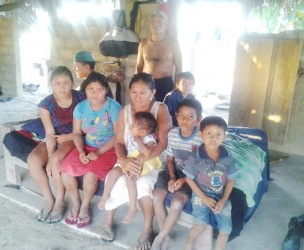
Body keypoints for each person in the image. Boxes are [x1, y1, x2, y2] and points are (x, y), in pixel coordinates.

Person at [100, 72, 172, 250]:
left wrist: (142, 159)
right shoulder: (125, 112)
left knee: (143, 186)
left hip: (152, 159)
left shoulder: (160, 109)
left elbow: (162, 143)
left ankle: (147, 229)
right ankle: (108, 220)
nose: (137, 97)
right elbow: (118, 142)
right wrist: (123, 160)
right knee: (114, 177)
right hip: (128, 157)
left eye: (142, 92)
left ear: (152, 92)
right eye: (133, 92)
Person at [59, 72, 122, 228]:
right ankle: (76, 203)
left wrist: (99, 152)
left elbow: (118, 136)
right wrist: (81, 151)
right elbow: (76, 134)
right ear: (85, 90)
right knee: (65, 172)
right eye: (90, 89)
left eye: (99, 89)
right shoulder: (80, 108)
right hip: (87, 145)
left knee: (90, 175)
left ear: (106, 90)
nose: (94, 93)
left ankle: (85, 205)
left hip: (110, 149)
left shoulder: (114, 108)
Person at [27, 66, 86, 223]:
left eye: (66, 82)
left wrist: (54, 158)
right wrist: (50, 155)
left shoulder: (81, 98)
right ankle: (49, 200)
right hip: (56, 137)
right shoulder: (45, 105)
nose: (62, 87)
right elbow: (49, 133)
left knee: (56, 160)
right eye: (57, 83)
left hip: (75, 137)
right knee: (33, 160)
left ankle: (60, 202)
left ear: (73, 83)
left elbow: (85, 128)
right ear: (50, 84)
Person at [151, 98, 203, 250]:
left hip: (193, 176)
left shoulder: (201, 138)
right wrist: (173, 177)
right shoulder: (173, 134)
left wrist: (183, 180)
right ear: (176, 117)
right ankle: (166, 237)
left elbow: (201, 168)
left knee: (177, 202)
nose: (185, 120)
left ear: (198, 119)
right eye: (181, 116)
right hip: (173, 170)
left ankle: (160, 238)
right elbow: (169, 160)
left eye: (190, 116)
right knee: (156, 196)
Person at [183, 116, 237, 250]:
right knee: (199, 225)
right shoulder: (195, 156)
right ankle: (188, 245)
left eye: (218, 135)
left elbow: (231, 179)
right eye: (209, 134)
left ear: (224, 136)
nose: (213, 138)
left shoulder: (227, 156)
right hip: (201, 195)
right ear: (201, 134)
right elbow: (189, 179)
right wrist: (205, 199)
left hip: (221, 195)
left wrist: (224, 200)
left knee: (226, 230)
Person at [98, 111, 161, 224]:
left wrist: (139, 142)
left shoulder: (149, 138)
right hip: (130, 158)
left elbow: (147, 152)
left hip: (143, 161)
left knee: (130, 180)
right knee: (113, 172)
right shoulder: (131, 136)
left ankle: (132, 208)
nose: (130, 127)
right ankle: (105, 196)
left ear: (142, 131)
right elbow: (120, 145)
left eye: (133, 125)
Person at [136, 10, 182, 102]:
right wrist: (137, 84)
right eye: (153, 22)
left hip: (166, 84)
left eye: (160, 22)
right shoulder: (143, 43)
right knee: (147, 113)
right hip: (147, 83)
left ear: (166, 25)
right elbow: (139, 67)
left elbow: (178, 68)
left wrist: (175, 87)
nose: (156, 25)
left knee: (164, 113)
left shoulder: (173, 43)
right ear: (150, 24)